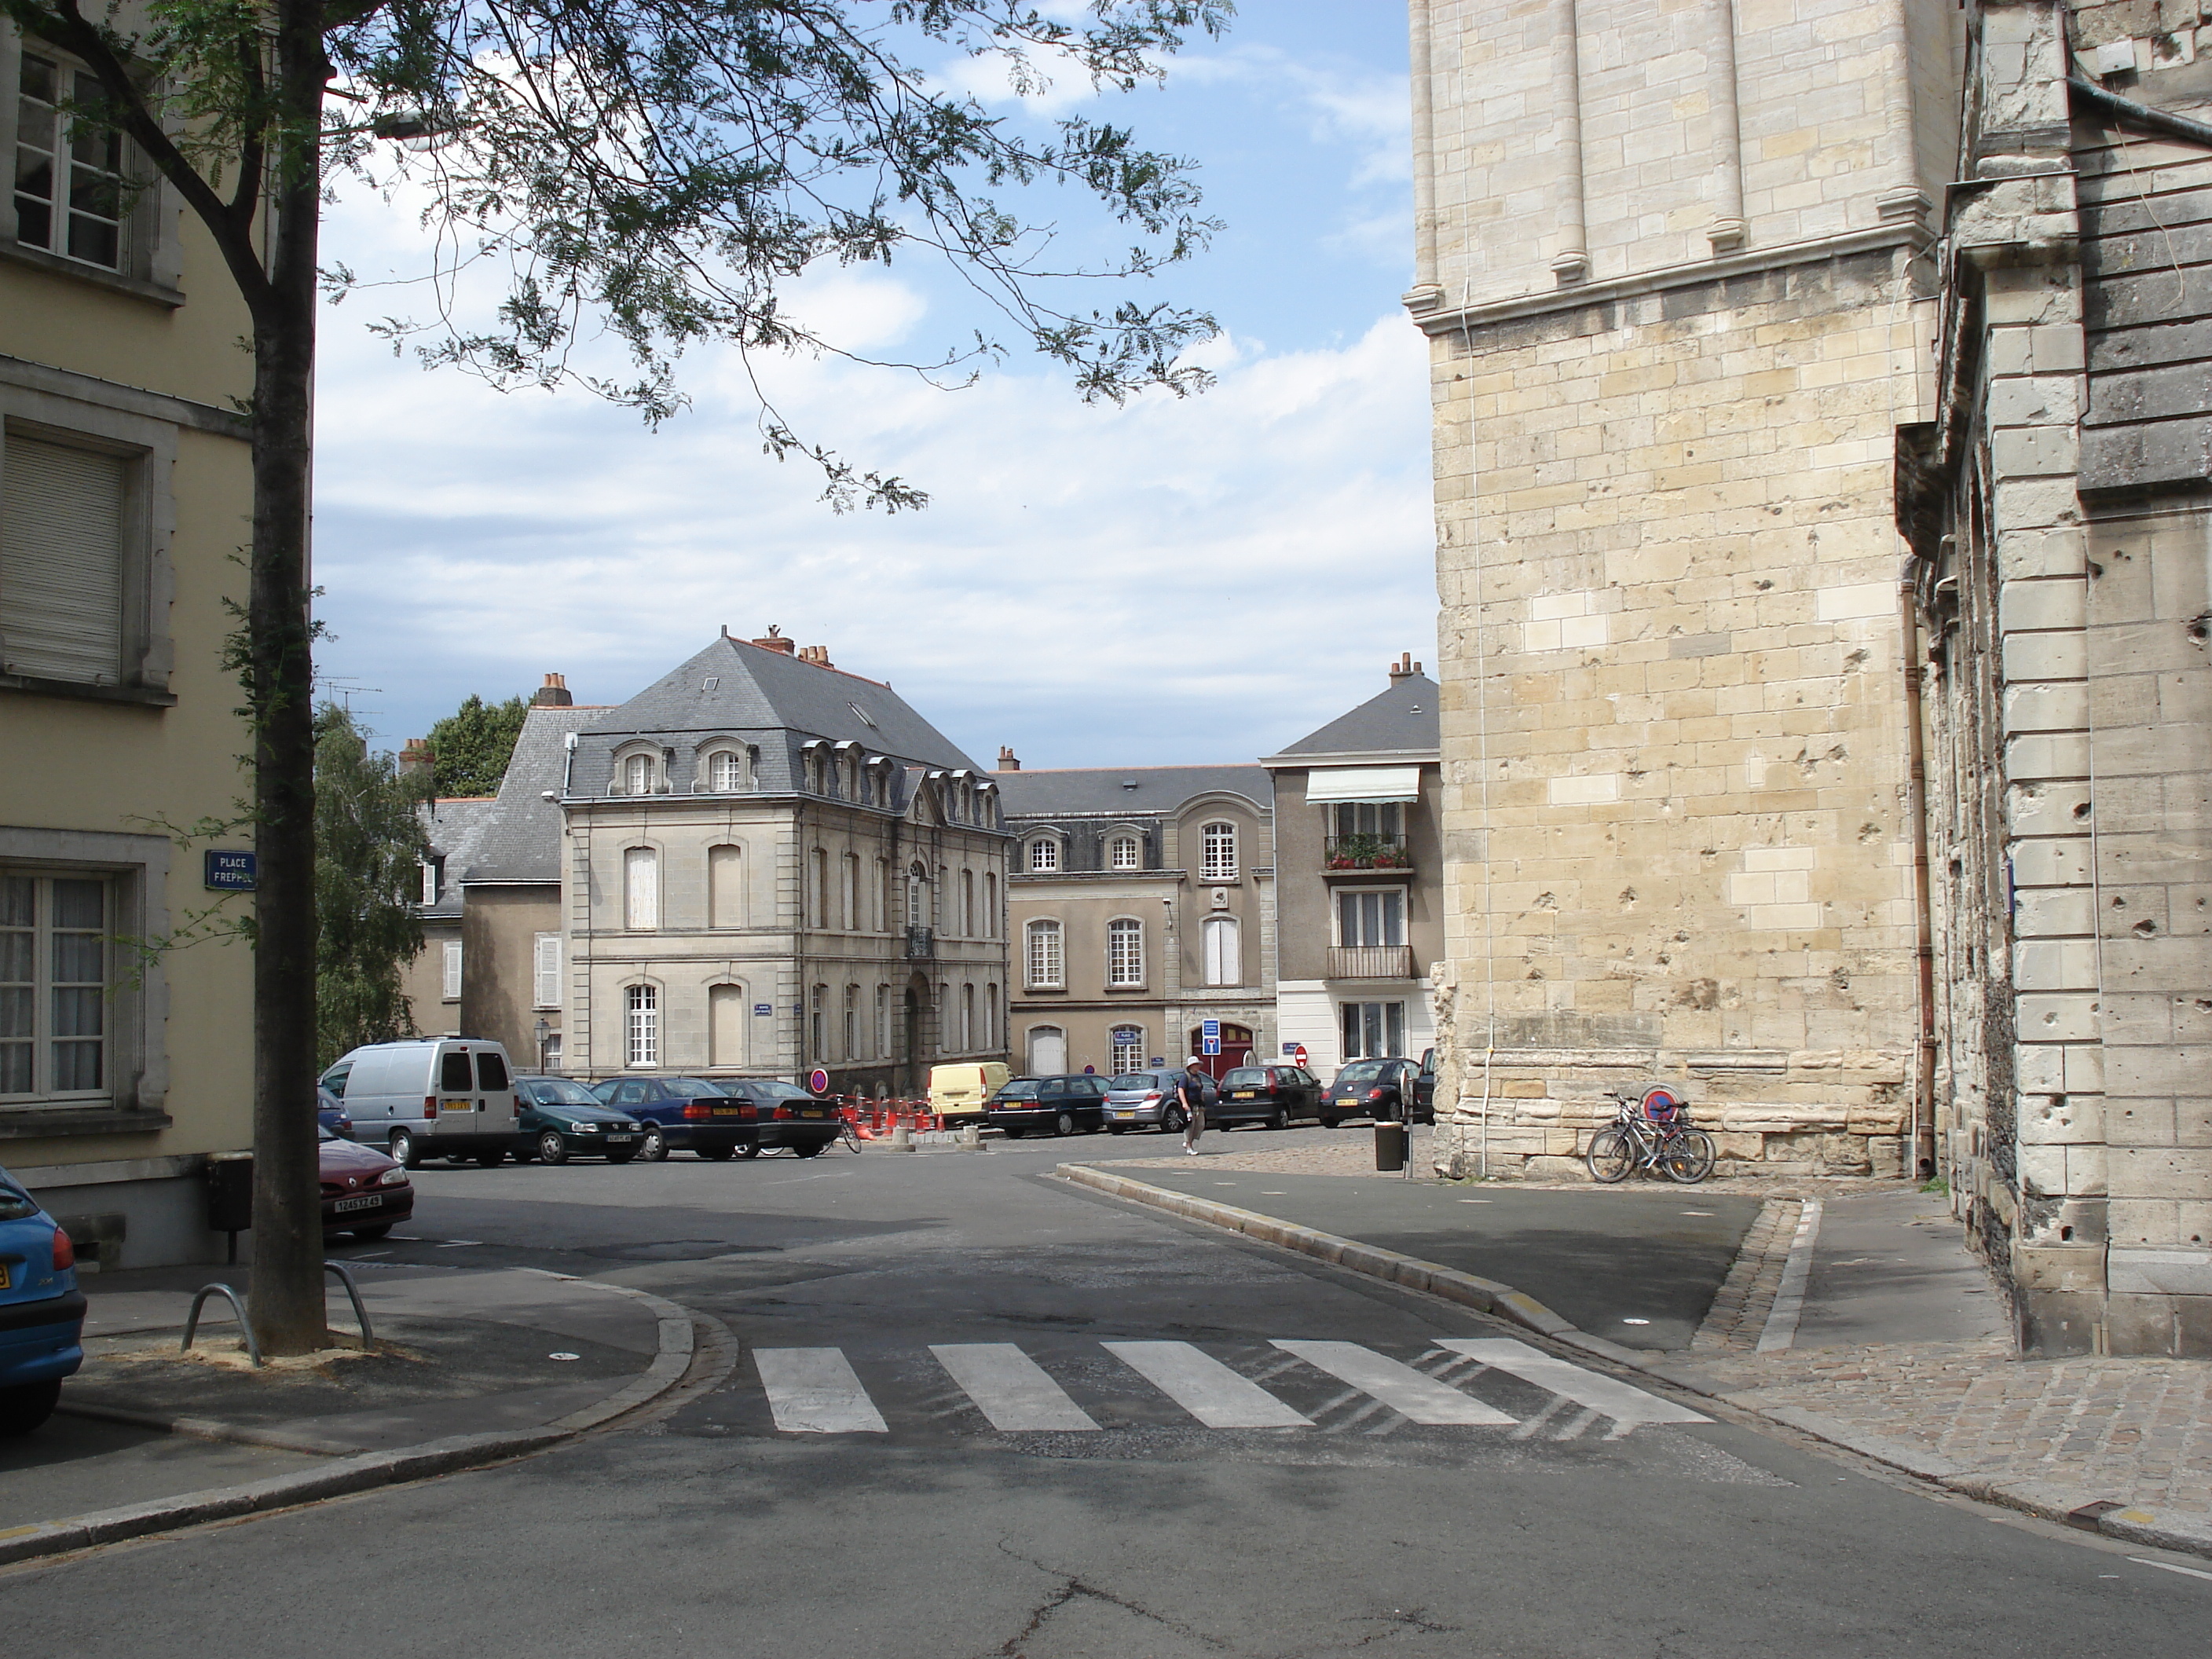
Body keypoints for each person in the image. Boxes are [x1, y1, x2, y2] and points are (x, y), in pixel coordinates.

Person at [1177, 1060, 1209, 1155]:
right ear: (1191, 1066)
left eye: (1198, 1065)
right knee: (1190, 1125)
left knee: (1200, 1124)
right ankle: (1189, 1146)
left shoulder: (1198, 1077)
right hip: (1190, 1104)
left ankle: (1188, 1142)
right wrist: (1184, 1104)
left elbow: (1200, 1090)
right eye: (1195, 1065)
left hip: (1198, 1104)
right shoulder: (1186, 1077)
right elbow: (1181, 1089)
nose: (1198, 1067)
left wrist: (1202, 1102)